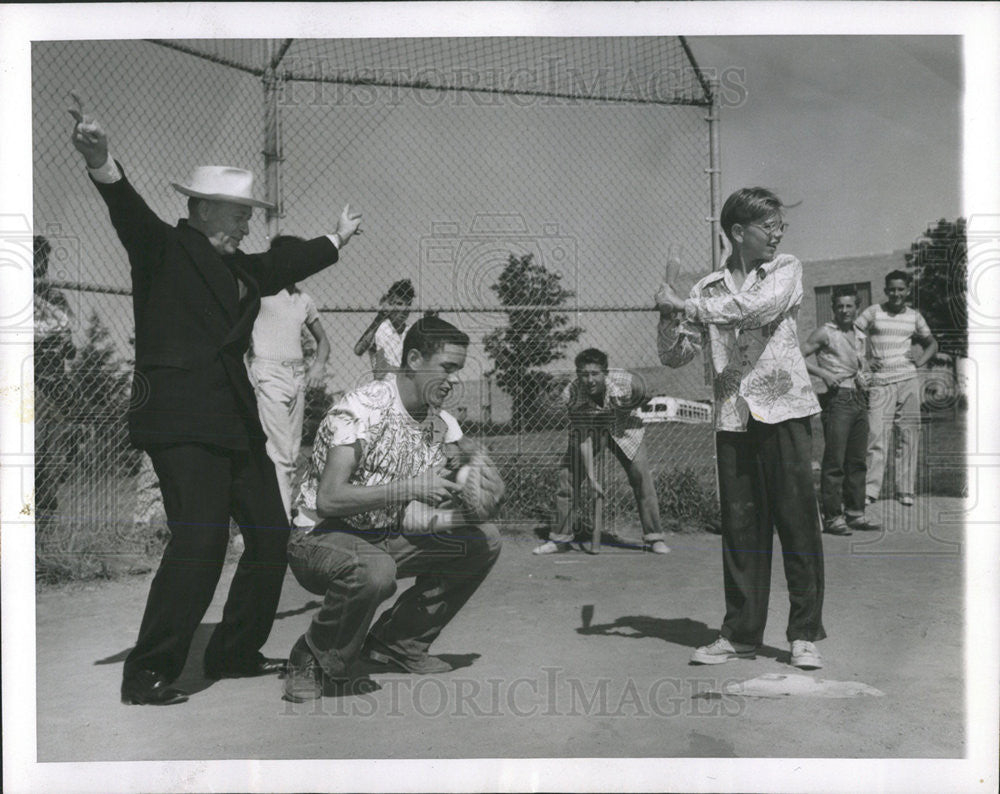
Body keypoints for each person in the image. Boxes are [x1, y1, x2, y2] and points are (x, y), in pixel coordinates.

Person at [69, 93, 362, 706]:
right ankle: (147, 672)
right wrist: (101, 159)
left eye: (247, 216)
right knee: (200, 540)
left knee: (270, 533)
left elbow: (286, 259)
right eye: (235, 216)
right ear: (200, 209)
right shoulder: (162, 249)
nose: (245, 226)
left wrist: (335, 240)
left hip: (233, 420)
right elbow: (126, 208)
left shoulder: (244, 270)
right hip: (179, 421)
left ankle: (233, 651)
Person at [283, 316, 502, 702]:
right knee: (374, 569)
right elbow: (329, 499)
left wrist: (483, 488)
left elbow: (460, 465)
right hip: (318, 538)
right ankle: (311, 657)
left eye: (458, 370)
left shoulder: (437, 422)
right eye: (447, 367)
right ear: (415, 359)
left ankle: (398, 642)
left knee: (482, 541)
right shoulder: (363, 407)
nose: (453, 380)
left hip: (381, 534)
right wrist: (411, 488)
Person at [655, 187, 826, 670]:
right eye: (767, 225)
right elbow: (675, 356)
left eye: (779, 225)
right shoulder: (706, 288)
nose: (777, 233)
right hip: (733, 416)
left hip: (785, 410)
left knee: (796, 524)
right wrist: (667, 315)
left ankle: (804, 635)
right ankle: (740, 634)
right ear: (737, 232)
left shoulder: (786, 269)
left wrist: (684, 308)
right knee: (742, 528)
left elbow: (759, 310)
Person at [533, 347, 670, 555]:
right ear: (578, 374)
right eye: (584, 375)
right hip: (590, 430)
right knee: (567, 477)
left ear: (605, 373)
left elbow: (647, 394)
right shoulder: (572, 393)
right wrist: (591, 478)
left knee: (641, 477)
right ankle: (561, 539)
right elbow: (583, 440)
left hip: (625, 428)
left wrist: (628, 404)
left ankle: (654, 538)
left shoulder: (624, 382)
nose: (589, 380)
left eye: (595, 374)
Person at [247, 235, 331, 520]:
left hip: (297, 376)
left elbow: (323, 342)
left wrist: (317, 367)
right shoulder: (261, 292)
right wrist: (249, 368)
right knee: (279, 454)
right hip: (268, 373)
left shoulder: (303, 300)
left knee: (292, 454)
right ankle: (278, 527)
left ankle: (274, 518)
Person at [854, 270, 938, 507]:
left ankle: (905, 490)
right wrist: (864, 360)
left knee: (908, 435)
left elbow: (932, 343)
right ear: (885, 290)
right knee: (876, 435)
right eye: (892, 289)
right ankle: (870, 491)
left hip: (908, 380)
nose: (896, 294)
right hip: (880, 382)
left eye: (901, 289)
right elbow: (853, 334)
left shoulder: (914, 316)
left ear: (908, 290)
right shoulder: (873, 312)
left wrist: (920, 361)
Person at [801, 287, 880, 535]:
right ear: (833, 308)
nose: (844, 311)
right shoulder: (826, 332)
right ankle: (833, 517)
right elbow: (795, 356)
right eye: (839, 307)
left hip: (859, 399)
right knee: (835, 461)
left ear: (857, 307)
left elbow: (859, 364)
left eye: (849, 306)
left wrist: (868, 369)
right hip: (838, 400)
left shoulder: (859, 333)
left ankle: (855, 513)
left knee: (857, 460)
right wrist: (823, 373)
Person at [33, 235, 77, 513]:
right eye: (35, 258)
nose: (40, 265)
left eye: (43, 259)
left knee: (51, 457)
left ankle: (46, 519)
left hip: (54, 384)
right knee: (31, 450)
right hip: (28, 382)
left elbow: (69, 346)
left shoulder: (55, 297)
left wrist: (56, 338)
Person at [353, 279, 414, 381]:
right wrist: (381, 315)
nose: (404, 309)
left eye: (408, 304)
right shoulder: (381, 328)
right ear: (390, 304)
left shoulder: (410, 331)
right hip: (385, 386)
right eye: (399, 304)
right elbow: (359, 350)